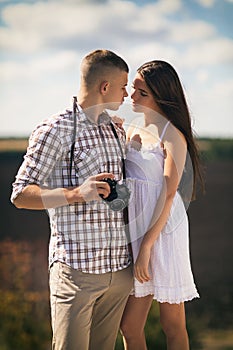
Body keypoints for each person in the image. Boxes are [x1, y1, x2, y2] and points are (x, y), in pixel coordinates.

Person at [11, 49, 134, 350]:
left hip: (119, 271)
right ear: (105, 87)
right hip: (77, 273)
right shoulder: (54, 130)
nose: (127, 94)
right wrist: (76, 193)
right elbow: (21, 194)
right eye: (123, 86)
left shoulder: (114, 129)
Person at [120, 60, 204, 350]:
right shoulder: (131, 130)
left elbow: (168, 194)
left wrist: (146, 246)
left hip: (163, 229)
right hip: (137, 226)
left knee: (172, 324)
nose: (132, 97)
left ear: (161, 96)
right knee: (129, 327)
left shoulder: (173, 135)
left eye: (141, 93)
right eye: (133, 90)